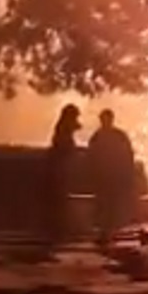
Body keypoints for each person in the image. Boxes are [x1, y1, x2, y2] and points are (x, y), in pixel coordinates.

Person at [86, 109, 137, 249]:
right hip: (105, 177)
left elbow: (127, 156)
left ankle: (107, 233)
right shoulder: (113, 136)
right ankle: (106, 233)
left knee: (110, 206)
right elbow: (92, 157)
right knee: (105, 206)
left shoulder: (106, 136)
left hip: (111, 177)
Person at [41, 103, 81, 250]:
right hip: (59, 170)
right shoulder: (63, 130)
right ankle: (58, 231)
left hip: (60, 169)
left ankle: (58, 230)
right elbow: (64, 147)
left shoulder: (62, 128)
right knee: (59, 199)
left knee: (59, 199)